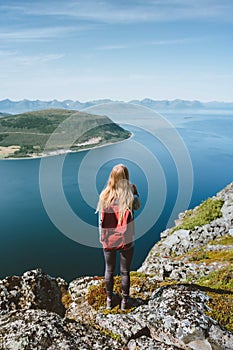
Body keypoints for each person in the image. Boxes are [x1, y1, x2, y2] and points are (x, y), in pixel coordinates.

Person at [96, 164, 140, 310]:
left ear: (112, 177)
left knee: (109, 269)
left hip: (108, 239)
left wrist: (102, 239)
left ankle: (109, 300)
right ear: (126, 177)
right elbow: (137, 207)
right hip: (126, 239)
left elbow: (101, 222)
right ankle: (125, 302)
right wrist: (135, 193)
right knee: (125, 271)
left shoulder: (104, 195)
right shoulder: (130, 194)